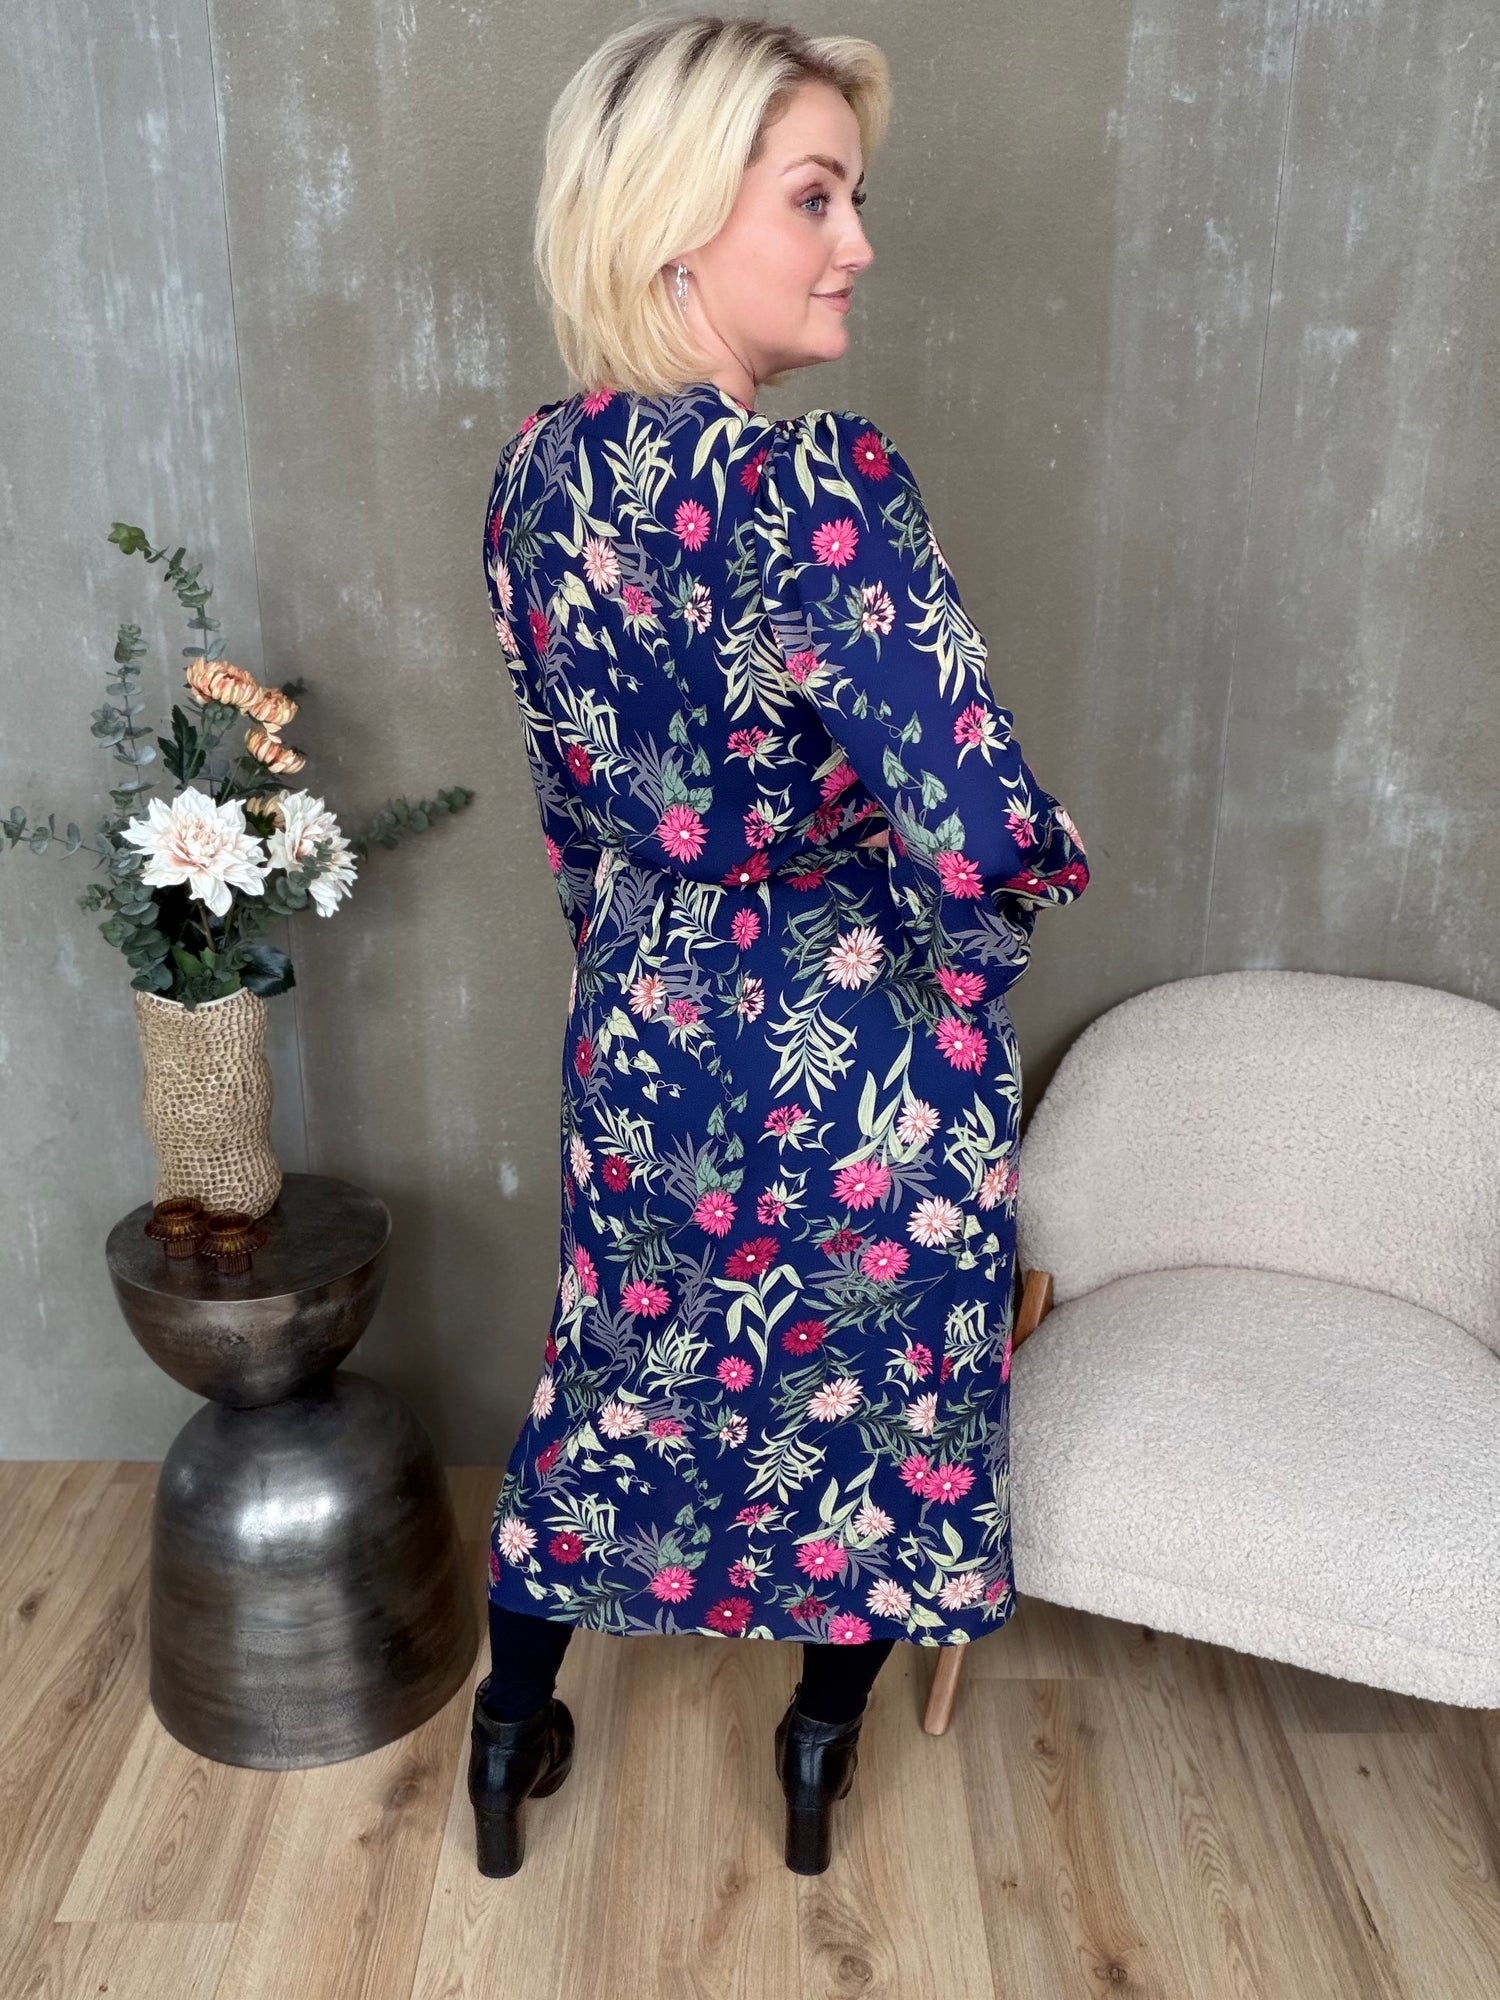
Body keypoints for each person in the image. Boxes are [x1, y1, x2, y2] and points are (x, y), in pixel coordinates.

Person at [471, 11, 1091, 1880]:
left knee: (615, 1379)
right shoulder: (821, 486)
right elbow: (980, 827)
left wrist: (620, 971)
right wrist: (967, 983)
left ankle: (504, 1738)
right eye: (816, 197)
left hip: (642, 1021)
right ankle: (818, 1751)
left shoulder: (532, 479)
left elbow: (573, 802)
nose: (859, 243)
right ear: (677, 220)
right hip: (851, 1040)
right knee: (875, 1414)